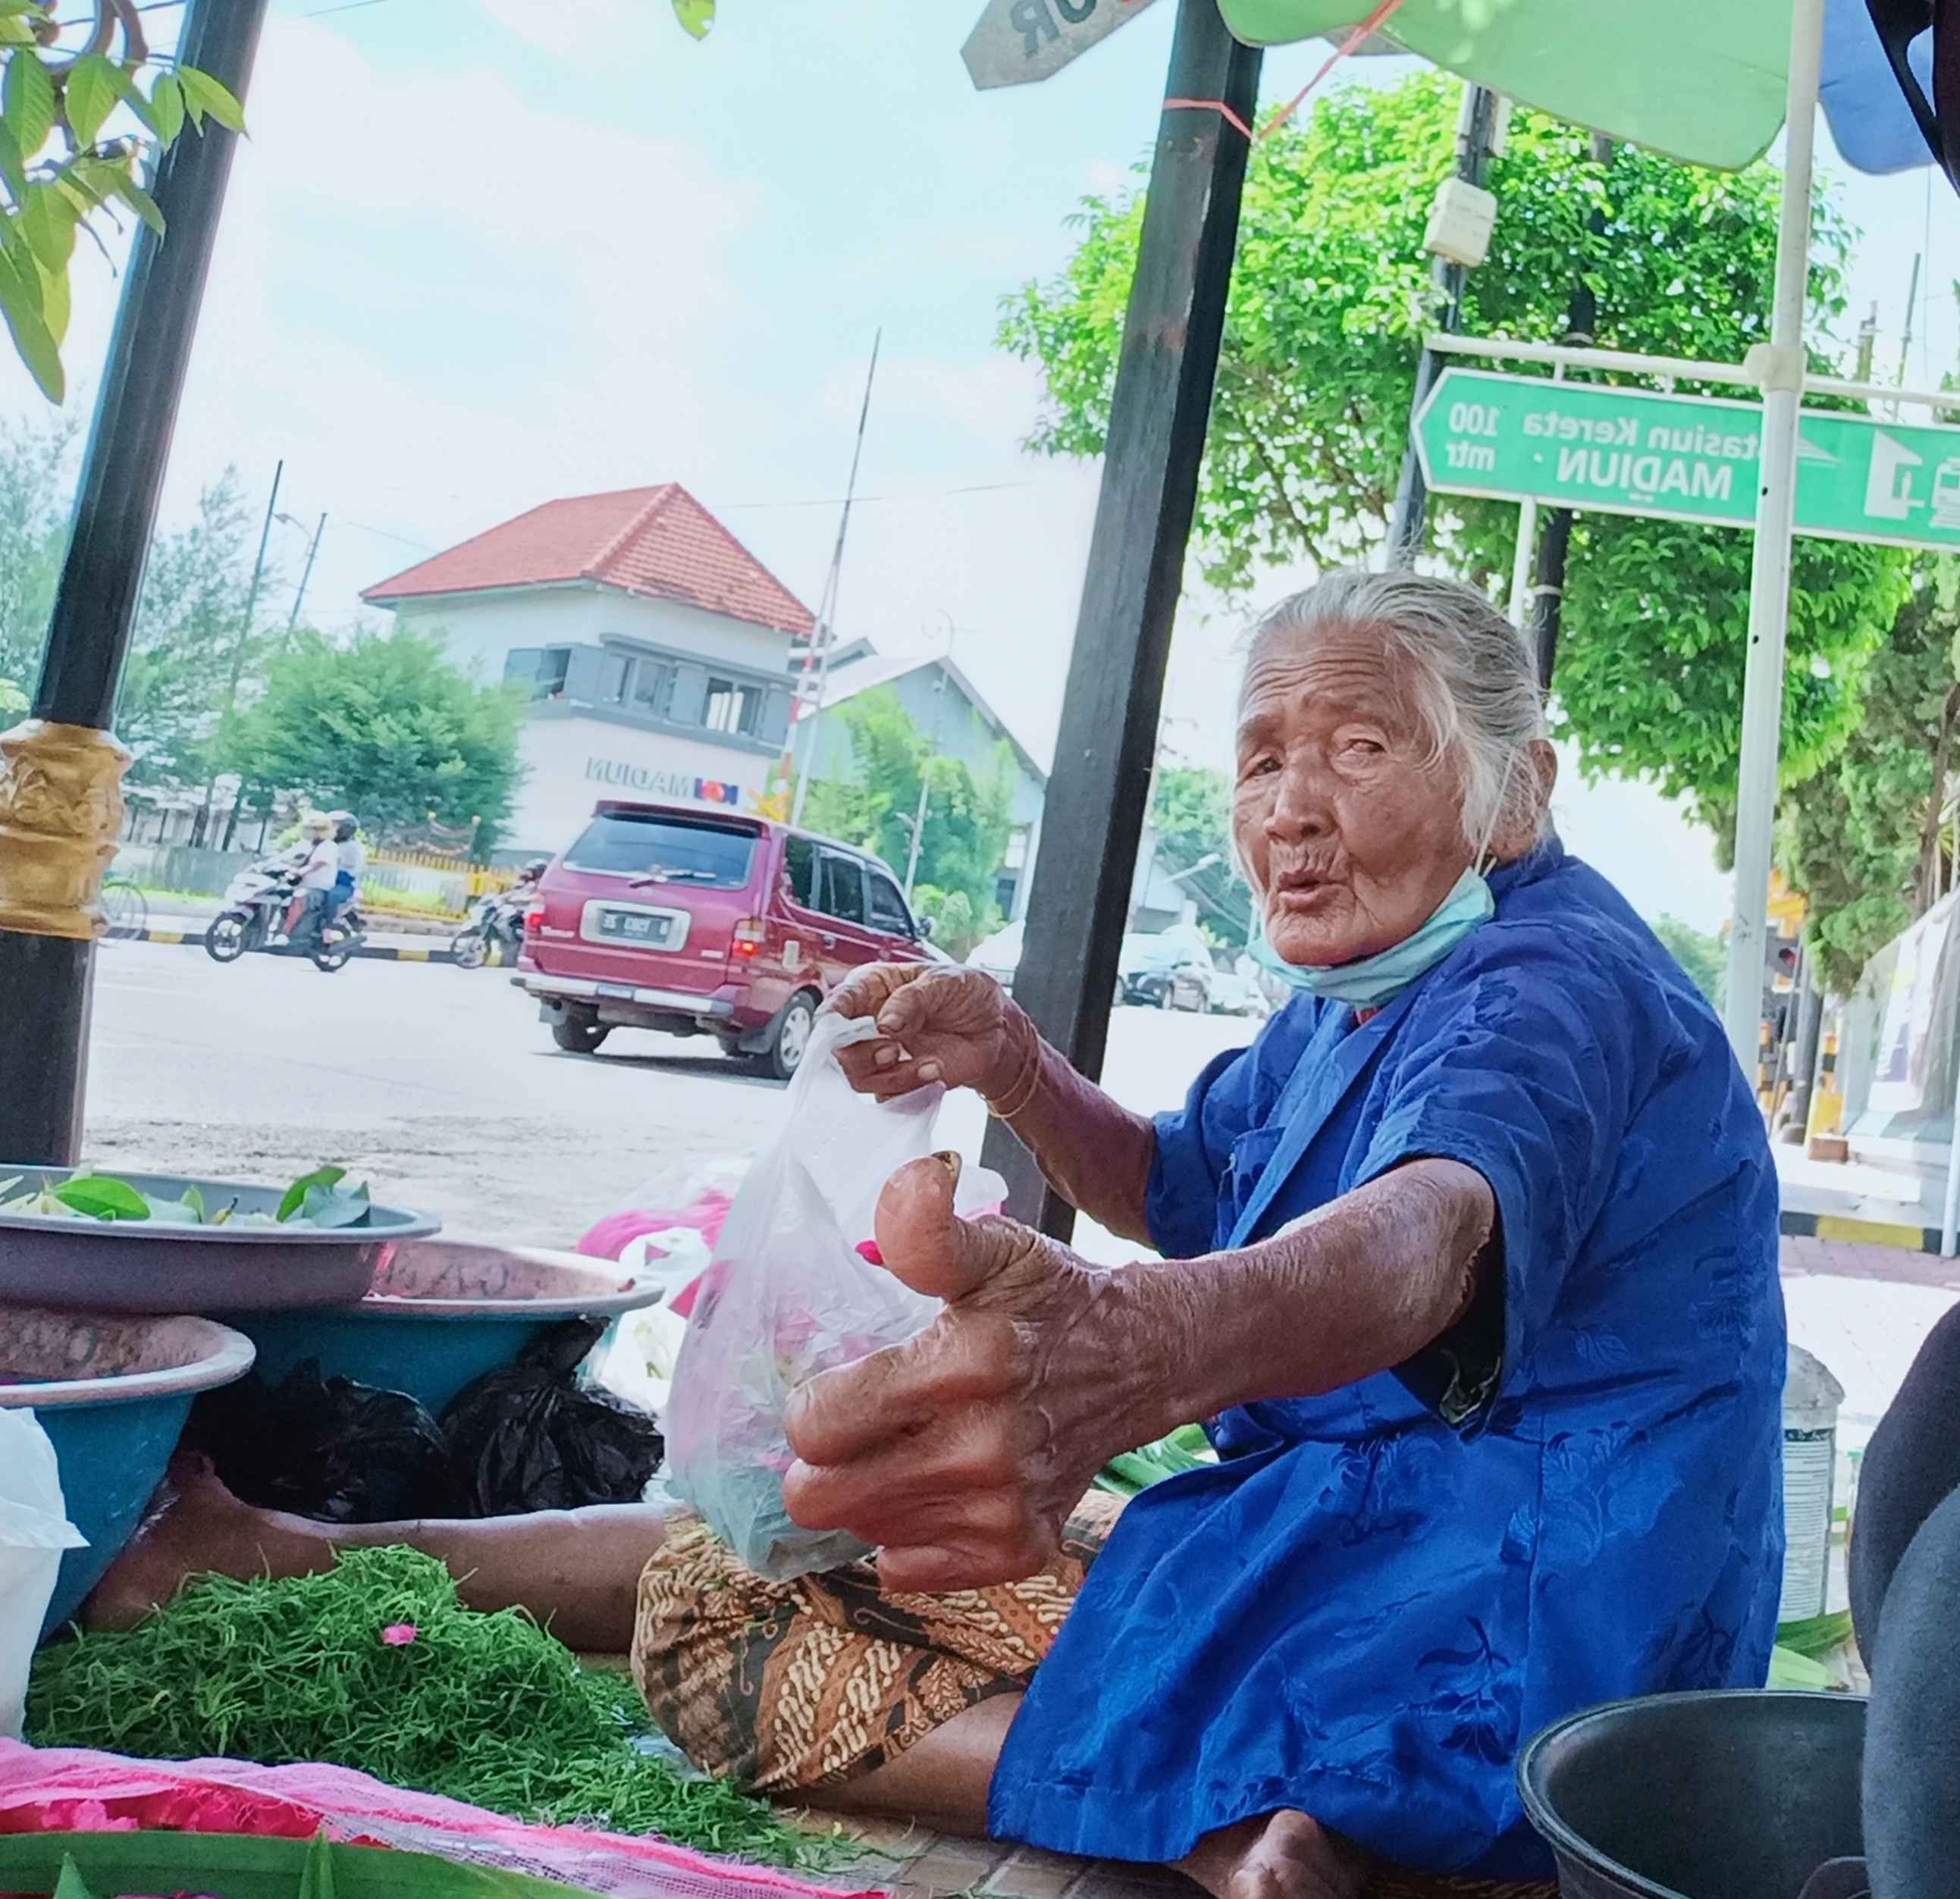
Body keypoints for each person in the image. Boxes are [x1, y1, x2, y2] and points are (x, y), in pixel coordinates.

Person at [87, 572, 1784, 1899]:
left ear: (1512, 788)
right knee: (792, 1515)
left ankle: (1219, 1826)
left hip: (1513, 1628)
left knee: (723, 1613)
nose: (1288, 803)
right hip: (1375, 1551)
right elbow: (1187, 1184)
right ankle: (289, 1555)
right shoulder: (1364, 986)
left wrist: (1141, 1347)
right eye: (1262, 752)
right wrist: (1009, 1057)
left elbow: (1426, 1237)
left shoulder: (1547, 987)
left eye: (1356, 746)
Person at [284, 812, 340, 950]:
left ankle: (291, 936)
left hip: (318, 888)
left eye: (310, 828)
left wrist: (301, 871)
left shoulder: (329, 846)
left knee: (300, 898)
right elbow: (286, 856)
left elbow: (317, 864)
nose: (307, 831)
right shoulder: (306, 845)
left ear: (319, 831)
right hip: (302, 885)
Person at [329, 811, 365, 926]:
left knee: (328, 898)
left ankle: (327, 926)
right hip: (325, 882)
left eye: (334, 825)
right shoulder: (327, 844)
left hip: (342, 884)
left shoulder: (351, 847)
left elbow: (346, 868)